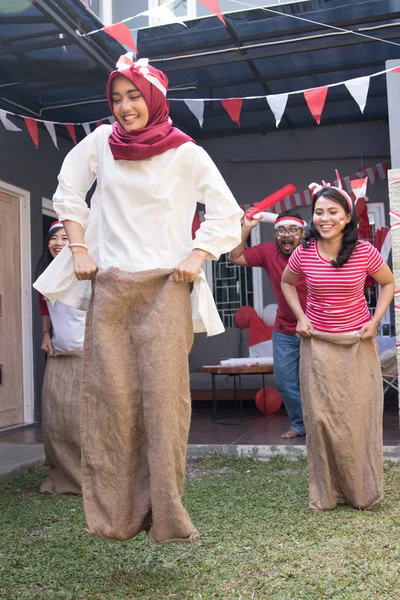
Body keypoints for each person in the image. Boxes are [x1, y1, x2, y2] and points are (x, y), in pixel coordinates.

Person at [34, 54, 243, 543]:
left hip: (167, 286)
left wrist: (197, 254)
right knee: (112, 401)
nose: (125, 107)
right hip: (110, 283)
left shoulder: (187, 153)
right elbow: (68, 191)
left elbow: (225, 212)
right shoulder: (100, 144)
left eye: (134, 96)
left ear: (153, 99)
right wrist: (79, 247)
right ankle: (115, 517)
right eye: (116, 98)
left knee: (165, 403)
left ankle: (167, 514)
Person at [281, 182, 394, 511]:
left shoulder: (363, 252)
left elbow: (388, 283)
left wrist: (374, 322)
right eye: (318, 212)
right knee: (320, 420)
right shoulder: (304, 252)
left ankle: (361, 492)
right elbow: (288, 283)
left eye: (332, 212)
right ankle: (327, 494)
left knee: (356, 418)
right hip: (317, 345)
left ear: (346, 218)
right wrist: (300, 317)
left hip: (357, 344)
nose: (324, 218)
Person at [229, 209, 307, 438]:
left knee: (318, 381)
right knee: (284, 381)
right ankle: (301, 425)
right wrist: (247, 227)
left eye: (293, 230)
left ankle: (321, 426)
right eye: (281, 230)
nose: (286, 234)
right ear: (274, 236)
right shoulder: (267, 251)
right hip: (284, 329)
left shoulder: (313, 250)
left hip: (316, 326)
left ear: (302, 233)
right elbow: (235, 256)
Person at [36, 221, 86, 494]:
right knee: (57, 421)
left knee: (84, 420)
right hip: (59, 356)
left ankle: (91, 477)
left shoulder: (86, 271)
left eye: (65, 238)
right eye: (53, 238)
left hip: (86, 355)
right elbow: (44, 305)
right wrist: (46, 333)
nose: (57, 243)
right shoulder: (46, 276)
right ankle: (64, 474)